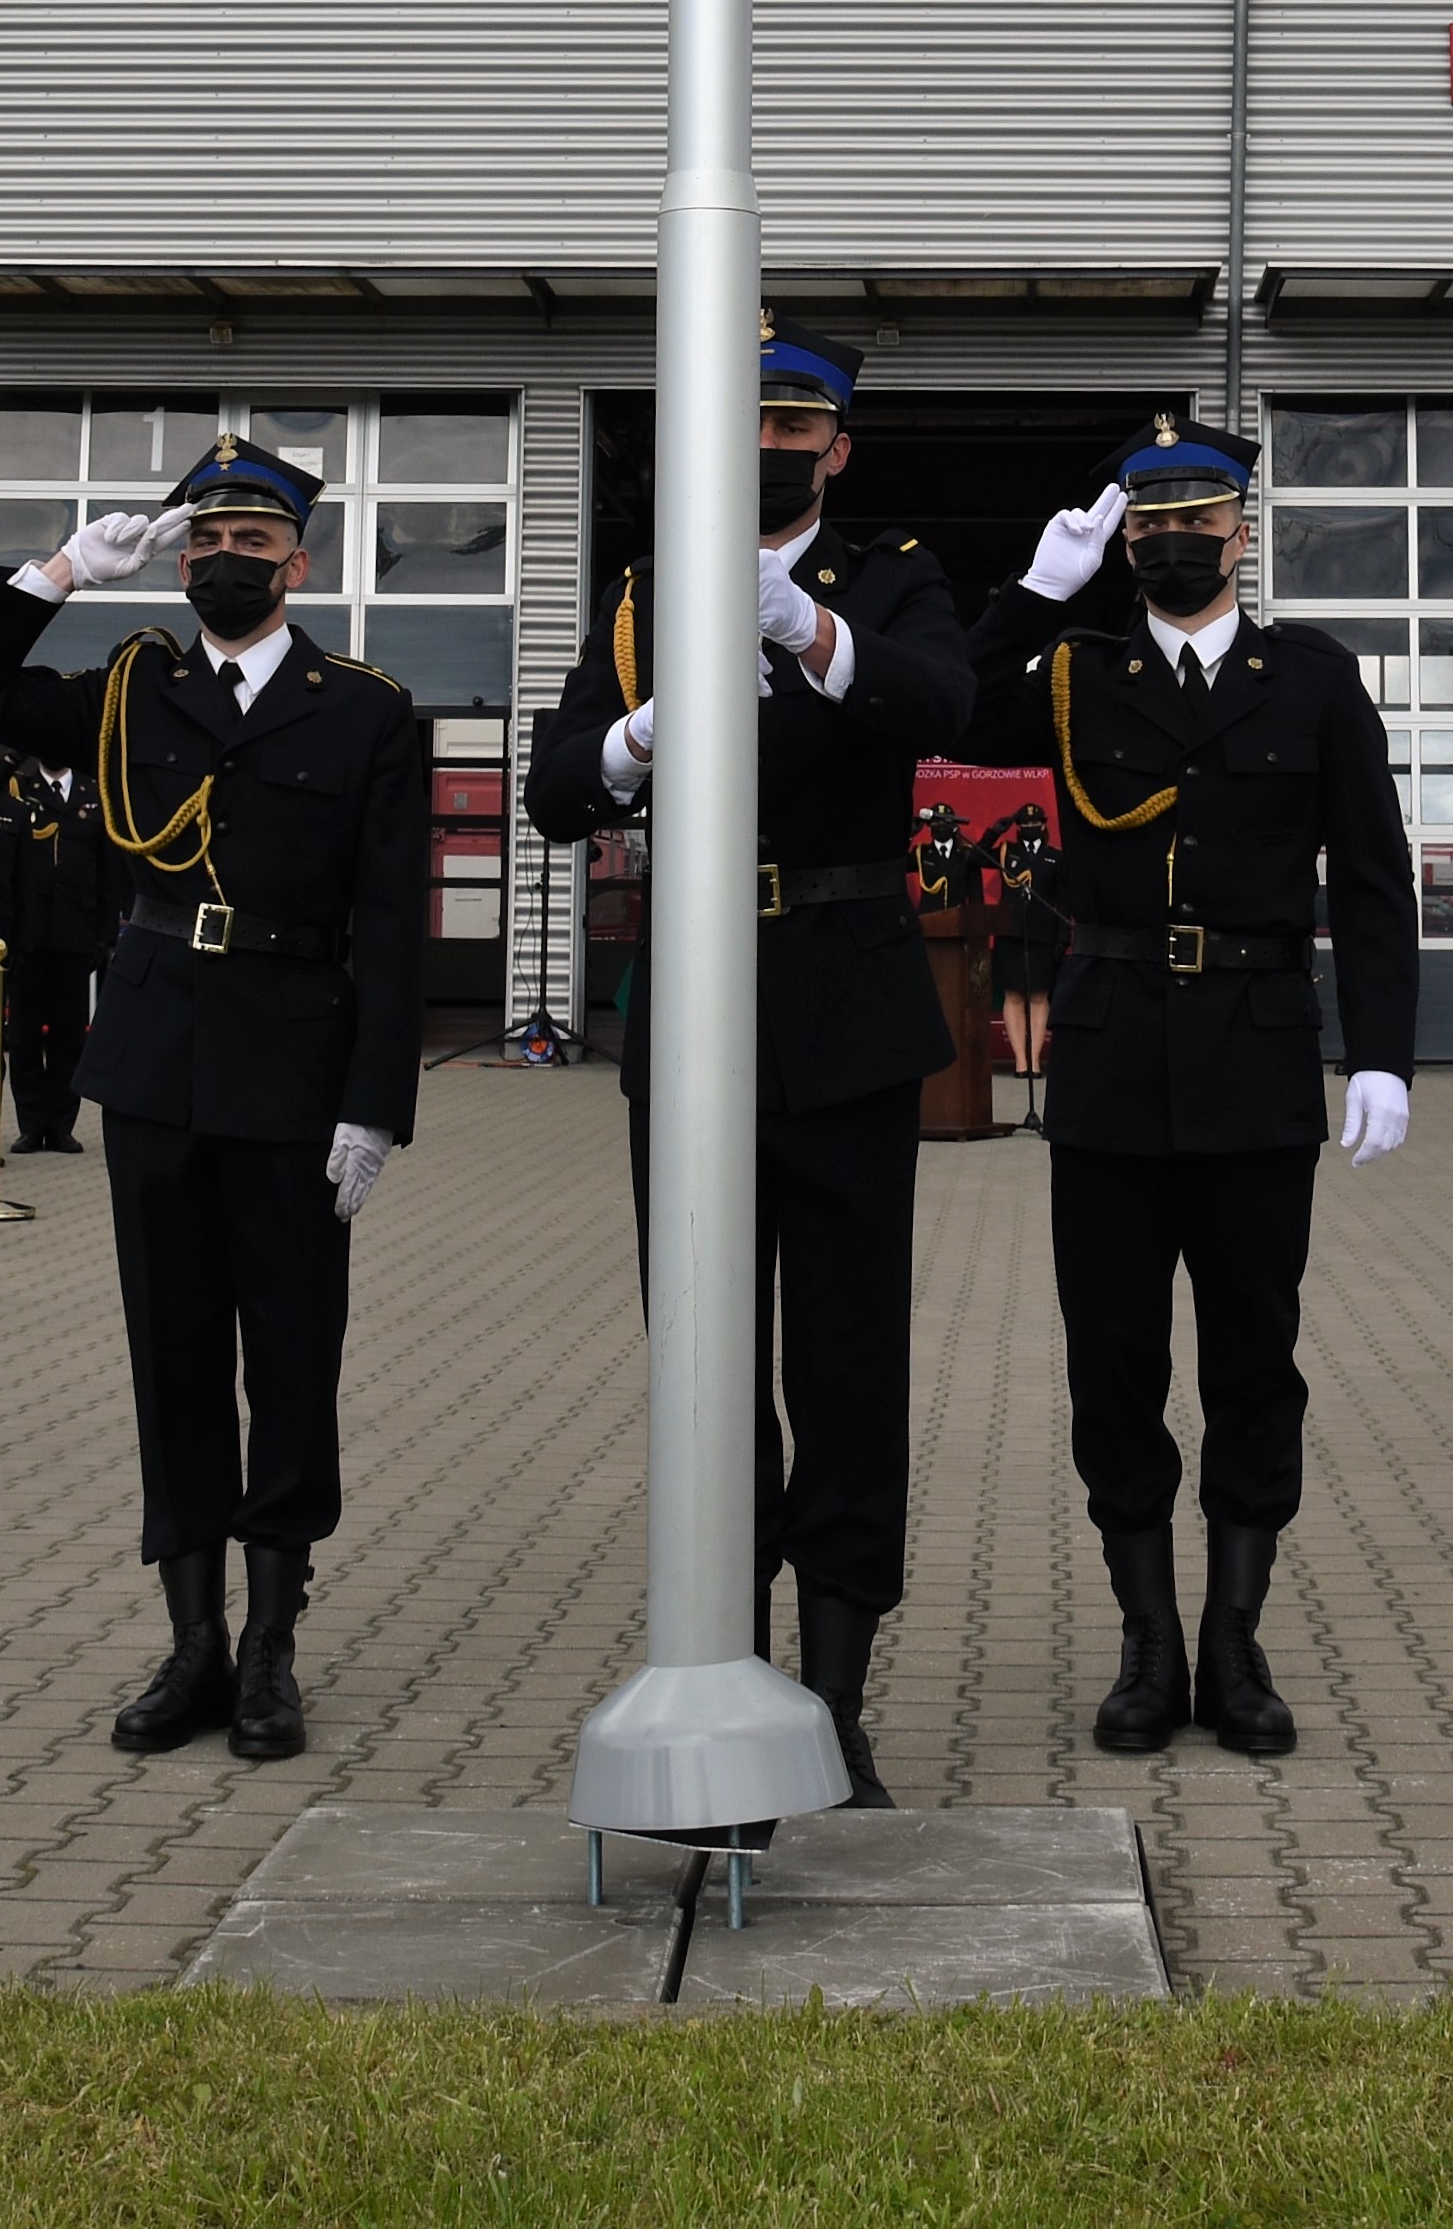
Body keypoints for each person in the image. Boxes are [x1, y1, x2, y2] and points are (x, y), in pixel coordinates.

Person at [0, 433, 430, 1765]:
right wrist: (58, 570)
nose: (221, 560)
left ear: (296, 565)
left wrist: (376, 1100)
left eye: (249, 542)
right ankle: (193, 1640)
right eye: (201, 541)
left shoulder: (363, 708)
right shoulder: (129, 689)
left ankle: (270, 1644)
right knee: (175, 1352)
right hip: (154, 1060)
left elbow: (391, 918)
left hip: (295, 1061)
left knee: (292, 1358)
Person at [523, 317, 971, 1806]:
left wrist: (806, 632)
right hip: (696, 1002)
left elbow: (941, 702)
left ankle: (834, 1701)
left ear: (837, 446)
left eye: (794, 425)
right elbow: (554, 789)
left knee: (845, 1361)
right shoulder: (647, 592)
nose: (769, 444)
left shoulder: (891, 574)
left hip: (845, 997)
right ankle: (726, 1665)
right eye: (747, 419)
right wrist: (643, 734)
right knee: (703, 1361)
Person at [953, 414, 1419, 1764]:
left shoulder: (1311, 678)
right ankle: (1148, 1643)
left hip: (1257, 1053)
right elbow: (941, 706)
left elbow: (1372, 876)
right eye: (1147, 524)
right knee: (1114, 1360)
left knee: (1252, 1359)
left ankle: (1233, 1638)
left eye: (1194, 520)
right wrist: (1032, 592)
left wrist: (1381, 1051)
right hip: (1107, 1057)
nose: (1171, 541)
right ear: (1124, 542)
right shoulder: (1072, 674)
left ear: (1239, 531)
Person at [0, 738, 94, 1155]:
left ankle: (62, 1125)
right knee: (23, 1037)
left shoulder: (92, 792)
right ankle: (30, 1124)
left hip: (76, 932)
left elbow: (108, 866)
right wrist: (13, 756)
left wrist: (105, 934)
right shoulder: (18, 788)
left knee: (69, 1036)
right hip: (27, 934)